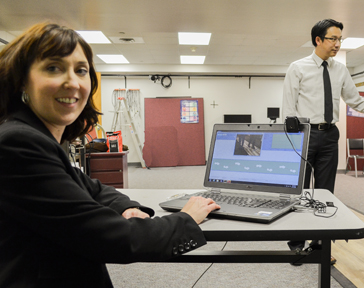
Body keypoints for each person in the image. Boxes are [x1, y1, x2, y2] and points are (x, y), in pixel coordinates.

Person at [0, 23, 220, 287]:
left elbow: (90, 188)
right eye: (53, 68)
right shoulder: (18, 143)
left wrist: (127, 207)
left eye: (81, 70)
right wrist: (185, 219)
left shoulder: (35, 137)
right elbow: (109, 238)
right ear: (22, 79)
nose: (72, 82)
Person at [282, 18, 364, 263]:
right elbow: (288, 108)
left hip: (330, 135)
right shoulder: (297, 68)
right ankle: (297, 245)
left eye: (340, 39)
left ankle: (320, 245)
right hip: (304, 134)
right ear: (318, 40)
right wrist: (292, 139)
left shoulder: (340, 69)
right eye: (333, 38)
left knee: (324, 193)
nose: (338, 44)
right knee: (298, 192)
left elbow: (356, 100)